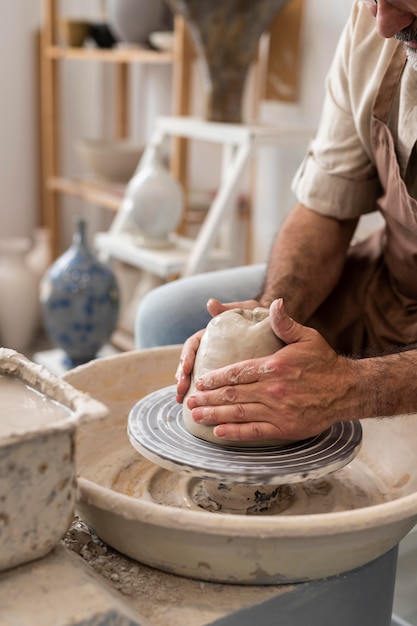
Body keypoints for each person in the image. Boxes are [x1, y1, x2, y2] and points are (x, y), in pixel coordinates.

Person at [135, 0, 417, 444]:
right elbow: (326, 207)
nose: (384, 23)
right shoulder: (375, 24)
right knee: (165, 319)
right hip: (388, 284)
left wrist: (354, 387)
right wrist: (265, 324)